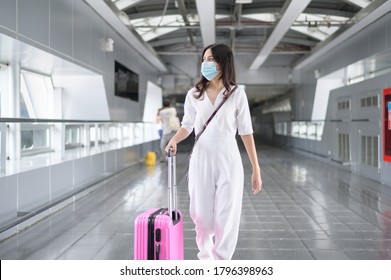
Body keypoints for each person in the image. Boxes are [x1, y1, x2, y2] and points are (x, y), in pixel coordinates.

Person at [165, 43, 263, 260]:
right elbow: (187, 125)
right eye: (204, 59)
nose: (206, 63)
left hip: (228, 157)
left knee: (227, 214)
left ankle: (221, 263)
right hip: (202, 157)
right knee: (201, 214)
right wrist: (174, 140)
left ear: (223, 62)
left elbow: (246, 132)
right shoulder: (194, 94)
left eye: (211, 59)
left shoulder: (237, 94)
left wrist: (256, 168)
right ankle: (205, 256)